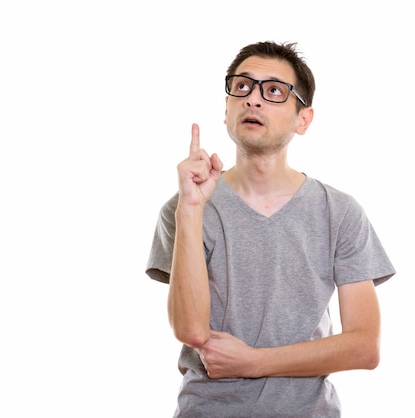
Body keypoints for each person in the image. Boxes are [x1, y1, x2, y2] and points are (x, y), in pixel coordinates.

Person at [145, 41, 396, 417]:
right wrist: (191, 210)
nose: (253, 100)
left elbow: (364, 347)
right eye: (242, 87)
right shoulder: (183, 207)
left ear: (303, 120)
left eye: (274, 91)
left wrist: (254, 362)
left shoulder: (340, 212)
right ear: (226, 109)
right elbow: (193, 332)